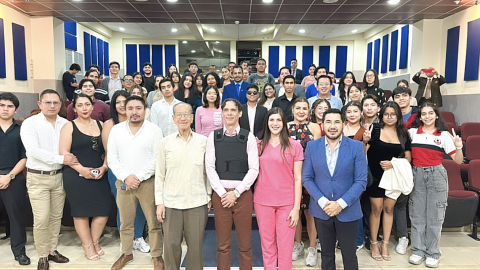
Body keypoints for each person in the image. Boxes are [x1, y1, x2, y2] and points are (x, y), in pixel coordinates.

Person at [302, 108, 367, 270]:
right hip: (321, 210)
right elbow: (307, 178)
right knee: (326, 254)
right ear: (322, 125)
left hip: (348, 210)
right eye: (328, 122)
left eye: (337, 122)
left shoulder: (356, 146)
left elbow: (361, 181)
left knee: (349, 255)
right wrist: (324, 202)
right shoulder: (312, 146)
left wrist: (340, 204)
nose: (332, 126)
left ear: (343, 124)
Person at [21, 89, 78, 270]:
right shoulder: (30, 124)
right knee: (41, 218)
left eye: (56, 103)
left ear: (61, 104)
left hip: (60, 176)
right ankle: (42, 255)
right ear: (40, 104)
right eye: (48, 102)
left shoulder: (65, 123)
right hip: (38, 177)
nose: (52, 106)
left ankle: (52, 250)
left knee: (55, 217)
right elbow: (33, 151)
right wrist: (61, 159)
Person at [108, 96, 164, 270]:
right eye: (130, 108)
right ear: (125, 110)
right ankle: (126, 253)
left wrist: (138, 177)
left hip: (147, 182)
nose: (134, 112)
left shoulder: (154, 130)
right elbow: (112, 158)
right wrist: (126, 177)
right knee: (125, 222)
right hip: (123, 182)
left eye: (138, 108)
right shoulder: (116, 130)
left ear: (145, 110)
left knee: (153, 223)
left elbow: (157, 158)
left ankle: (157, 255)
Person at [155, 102, 212, 270]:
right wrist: (160, 202)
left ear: (192, 118)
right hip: (171, 202)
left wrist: (208, 194)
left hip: (197, 202)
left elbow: (208, 171)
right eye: (179, 115)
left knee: (195, 247)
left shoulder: (204, 141)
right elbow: (159, 175)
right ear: (173, 119)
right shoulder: (165, 143)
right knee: (171, 246)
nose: (183, 118)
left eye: (186, 114)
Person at [205, 98, 259, 270]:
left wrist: (235, 193)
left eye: (233, 110)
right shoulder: (213, 136)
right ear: (222, 113)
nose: (229, 113)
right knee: (222, 245)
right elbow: (210, 168)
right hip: (220, 196)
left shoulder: (248, 137)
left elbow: (254, 169)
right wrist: (222, 193)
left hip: (242, 195)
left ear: (239, 113)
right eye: (226, 110)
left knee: (245, 245)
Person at [407, 103, 463, 268]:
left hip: (436, 175)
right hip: (416, 174)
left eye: (430, 113)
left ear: (436, 115)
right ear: (420, 116)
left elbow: (458, 160)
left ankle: (433, 253)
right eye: (424, 114)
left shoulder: (444, 135)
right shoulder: (412, 133)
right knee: (417, 215)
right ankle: (417, 251)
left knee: (435, 216)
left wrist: (458, 146)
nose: (427, 116)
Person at [59, 93, 112, 261]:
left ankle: (95, 241)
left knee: (104, 210)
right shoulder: (69, 126)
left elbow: (108, 150)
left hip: (99, 173)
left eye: (87, 105)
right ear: (74, 109)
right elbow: (64, 153)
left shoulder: (101, 124)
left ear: (93, 107)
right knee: (81, 212)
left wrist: (104, 167)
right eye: (80, 105)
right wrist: (82, 170)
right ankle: (87, 244)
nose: (84, 108)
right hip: (76, 174)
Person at [101, 91, 151, 255]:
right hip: (119, 172)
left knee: (142, 208)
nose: (122, 106)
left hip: (141, 173)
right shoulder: (111, 125)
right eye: (119, 102)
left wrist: (139, 174)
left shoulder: (145, 124)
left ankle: (138, 238)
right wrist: (125, 175)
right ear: (114, 105)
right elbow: (111, 153)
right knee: (124, 207)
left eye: (126, 102)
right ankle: (126, 240)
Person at [255, 107, 303, 269]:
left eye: (279, 120)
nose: (275, 124)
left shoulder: (294, 145)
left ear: (284, 123)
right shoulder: (258, 145)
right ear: (266, 123)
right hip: (263, 201)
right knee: (267, 245)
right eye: (271, 120)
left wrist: (296, 208)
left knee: (285, 247)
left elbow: (298, 178)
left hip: (287, 203)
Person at [363, 102, 411, 262]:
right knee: (376, 209)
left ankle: (385, 244)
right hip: (375, 176)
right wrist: (365, 142)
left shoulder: (404, 133)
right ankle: (374, 242)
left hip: (393, 176)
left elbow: (408, 158)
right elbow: (363, 153)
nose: (389, 117)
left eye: (393, 114)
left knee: (389, 209)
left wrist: (393, 164)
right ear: (381, 115)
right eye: (386, 114)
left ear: (398, 116)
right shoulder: (375, 129)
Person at [287, 98, 321, 267]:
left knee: (310, 213)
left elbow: (317, 153)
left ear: (309, 111)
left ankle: (312, 248)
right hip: (290, 177)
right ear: (293, 110)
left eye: (304, 108)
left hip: (309, 176)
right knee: (295, 212)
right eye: (298, 108)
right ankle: (298, 243)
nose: (301, 111)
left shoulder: (314, 127)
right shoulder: (286, 127)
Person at [0, 93, 30, 266]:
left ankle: (19, 253)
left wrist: (9, 176)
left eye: (9, 106)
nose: (5, 109)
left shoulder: (21, 130)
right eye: (2, 105)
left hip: (14, 177)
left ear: (16, 109)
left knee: (16, 217)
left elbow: (25, 157)